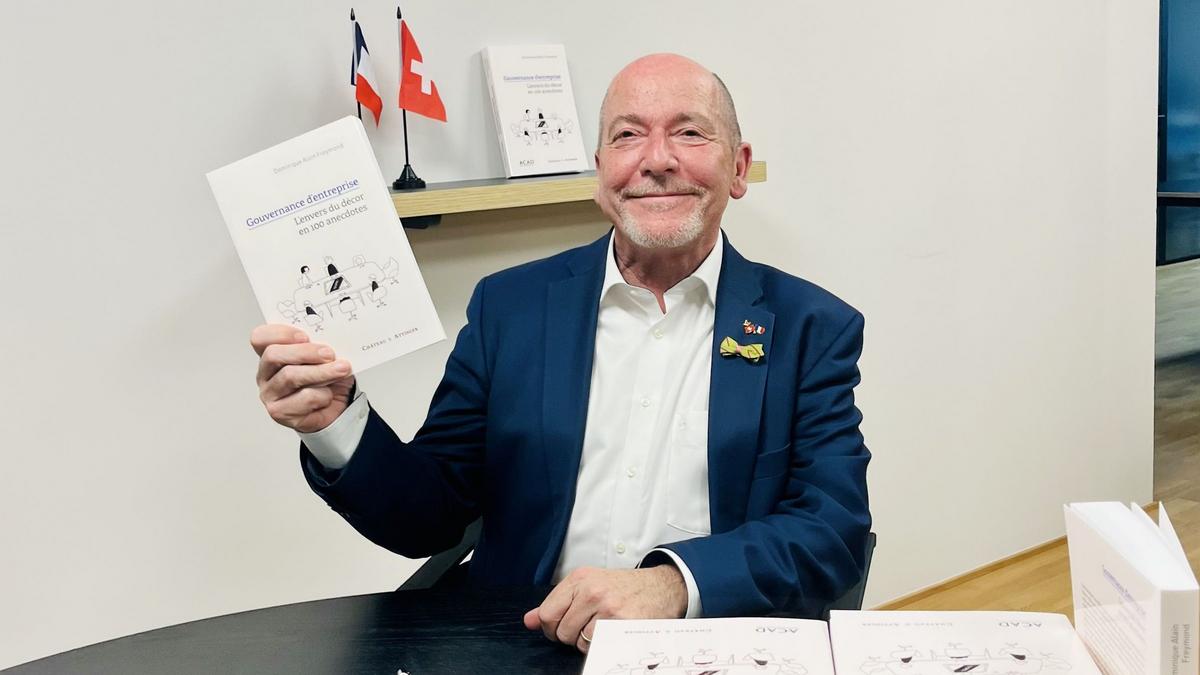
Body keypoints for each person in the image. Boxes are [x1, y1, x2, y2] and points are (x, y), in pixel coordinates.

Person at [250, 53, 870, 654]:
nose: (657, 159)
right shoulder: (509, 309)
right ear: (601, 173)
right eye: (628, 135)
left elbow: (831, 528)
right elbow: (428, 516)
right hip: (523, 645)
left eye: (689, 132)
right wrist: (336, 423)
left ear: (738, 167)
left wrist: (673, 584)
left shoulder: (811, 328)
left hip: (710, 649)